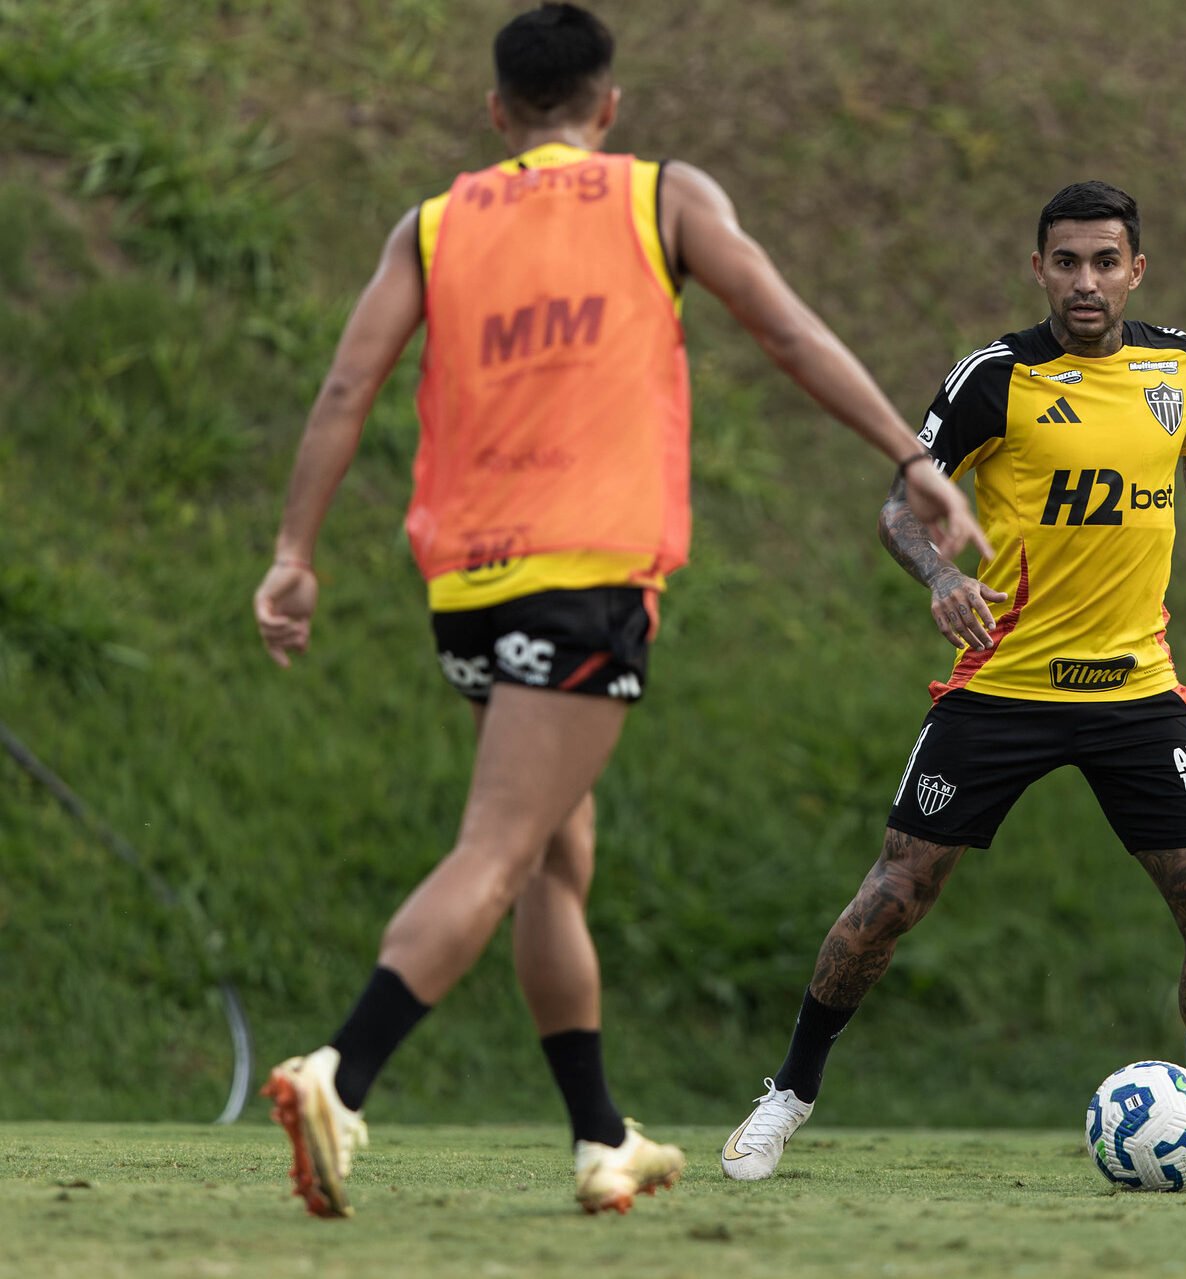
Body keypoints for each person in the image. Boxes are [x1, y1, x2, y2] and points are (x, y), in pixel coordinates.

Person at [249, 3, 987, 1218]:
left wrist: (293, 551)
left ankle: (600, 1137)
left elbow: (344, 385)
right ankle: (341, 1070)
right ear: (609, 106)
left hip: (469, 586)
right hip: (584, 576)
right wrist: (910, 456)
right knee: (500, 847)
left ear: (496, 113)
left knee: (554, 853)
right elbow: (788, 329)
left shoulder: (433, 223)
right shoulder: (662, 197)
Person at [720, 180, 1186, 1189]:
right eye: (1064, 262)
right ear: (1037, 269)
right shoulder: (993, 379)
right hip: (1003, 685)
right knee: (893, 894)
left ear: (1135, 269)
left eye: (1105, 261)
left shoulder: (1179, 366)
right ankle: (787, 1094)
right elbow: (900, 505)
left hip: (1133, 688)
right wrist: (941, 576)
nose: (1085, 282)